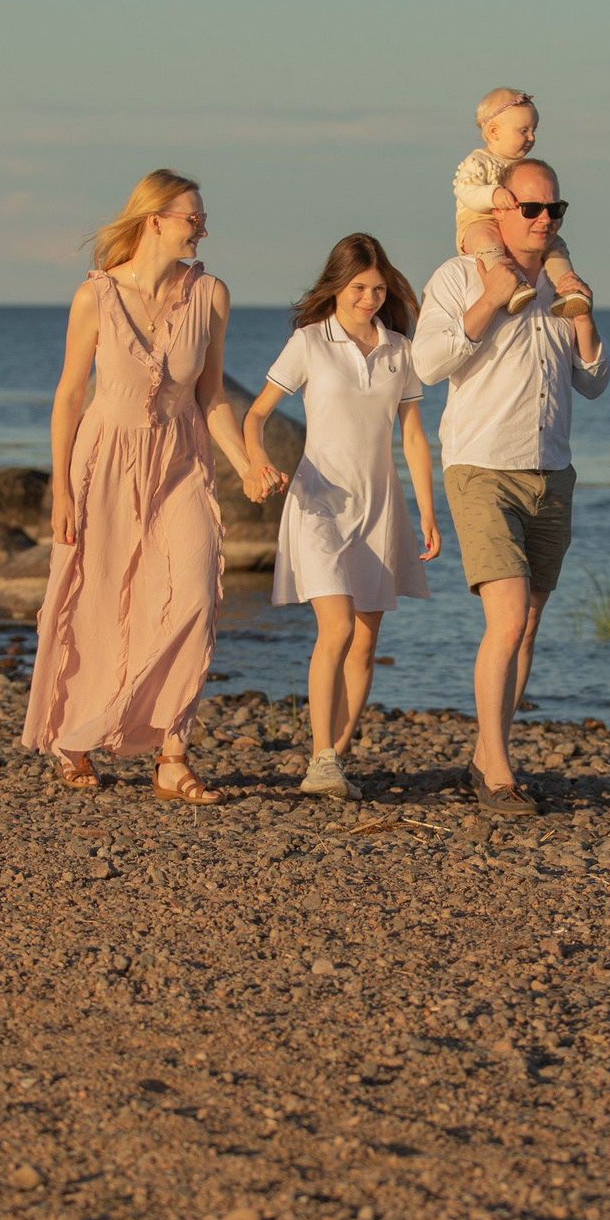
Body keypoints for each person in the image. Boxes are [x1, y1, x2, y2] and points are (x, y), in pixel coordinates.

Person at [22, 169, 280, 804]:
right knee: (99, 599)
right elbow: (69, 396)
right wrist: (61, 491)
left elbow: (212, 395)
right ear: (154, 220)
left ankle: (171, 753)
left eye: (203, 219)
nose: (203, 229)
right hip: (104, 461)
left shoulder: (210, 295)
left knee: (195, 594)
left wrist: (246, 463)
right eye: (193, 218)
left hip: (180, 460)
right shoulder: (96, 297)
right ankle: (76, 737)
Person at [412, 158, 610, 816]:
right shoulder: (457, 275)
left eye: (555, 209)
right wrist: (491, 298)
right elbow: (428, 363)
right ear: (499, 209)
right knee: (507, 618)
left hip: (551, 470)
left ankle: (485, 752)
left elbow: (594, 381)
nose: (544, 219)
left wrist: (584, 319)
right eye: (531, 208)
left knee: (527, 628)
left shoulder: (562, 284)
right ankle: (497, 773)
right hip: (481, 467)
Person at [241, 234, 440, 801]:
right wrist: (257, 461)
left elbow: (413, 437)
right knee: (338, 628)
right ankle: (322, 759)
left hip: (379, 506)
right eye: (359, 287)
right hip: (318, 502)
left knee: (366, 643)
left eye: (378, 289)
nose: (370, 299)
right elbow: (256, 416)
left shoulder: (399, 350)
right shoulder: (309, 341)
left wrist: (429, 512)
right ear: (336, 285)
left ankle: (334, 759)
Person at [452, 87, 592, 317]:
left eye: (534, 131)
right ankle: (512, 285)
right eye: (524, 130)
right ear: (495, 131)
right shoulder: (479, 161)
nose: (531, 137)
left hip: (515, 223)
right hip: (479, 219)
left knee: (555, 245)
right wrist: (492, 195)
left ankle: (566, 287)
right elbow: (465, 190)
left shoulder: (523, 167)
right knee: (486, 239)